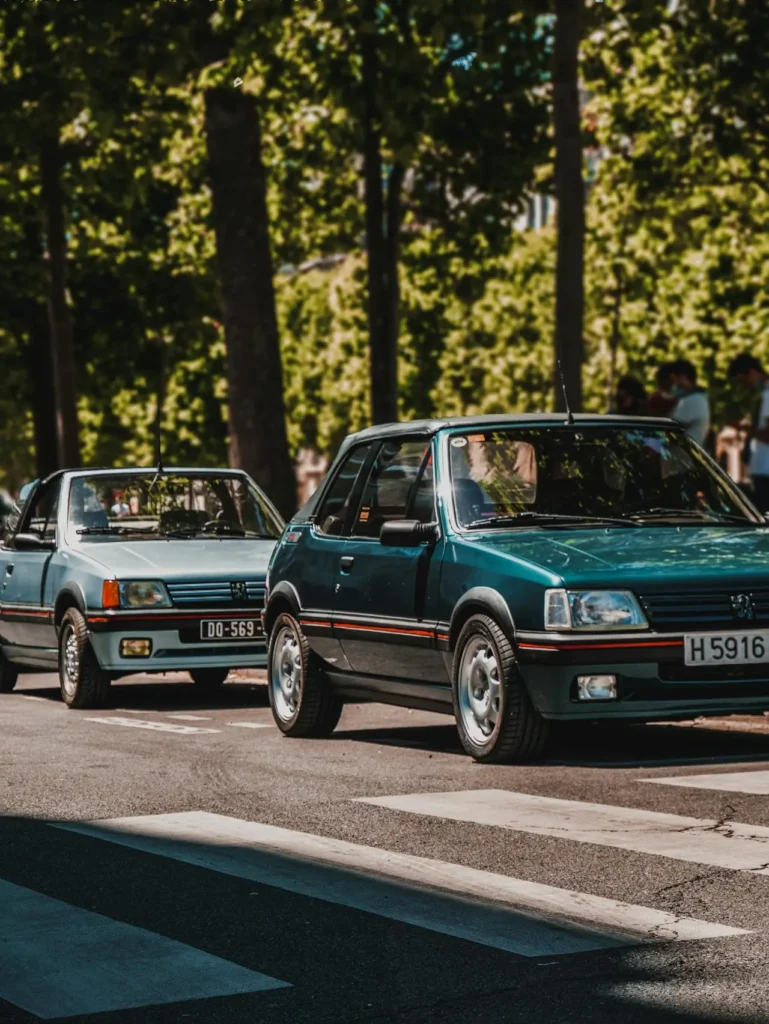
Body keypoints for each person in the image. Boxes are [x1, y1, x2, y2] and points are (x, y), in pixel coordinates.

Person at [727, 353, 769, 512]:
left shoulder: (767, 394)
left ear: (752, 372)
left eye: (743, 380)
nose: (744, 386)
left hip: (766, 472)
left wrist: (742, 428)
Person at [669, 358, 710, 447]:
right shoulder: (700, 398)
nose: (673, 386)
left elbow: (669, 426)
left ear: (683, 378)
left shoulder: (693, 400)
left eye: (673, 380)